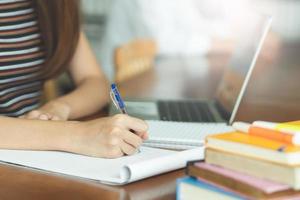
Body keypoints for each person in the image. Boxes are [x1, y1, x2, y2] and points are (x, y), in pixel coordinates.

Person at [0, 0, 148, 158]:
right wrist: (78, 135)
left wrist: (60, 107)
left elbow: (94, 80)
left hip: (29, 157)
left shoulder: (56, 4)